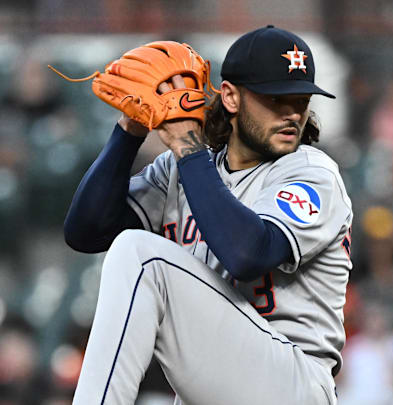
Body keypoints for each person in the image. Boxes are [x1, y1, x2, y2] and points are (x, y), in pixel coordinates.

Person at [64, 25, 353, 405]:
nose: (292, 114)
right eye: (275, 100)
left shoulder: (312, 172)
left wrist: (188, 147)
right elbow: (86, 232)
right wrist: (130, 128)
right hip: (217, 387)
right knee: (131, 249)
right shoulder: (182, 171)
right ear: (231, 97)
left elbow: (248, 254)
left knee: (142, 254)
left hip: (292, 382)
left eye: (300, 100)